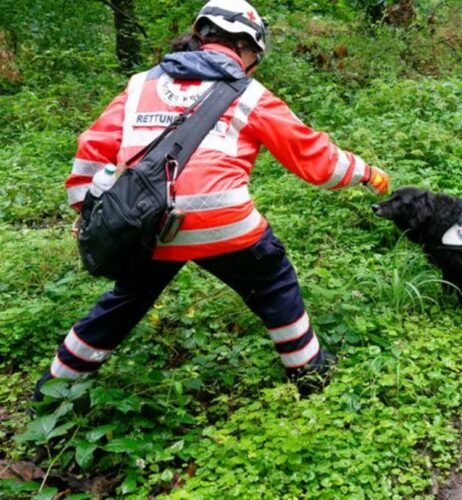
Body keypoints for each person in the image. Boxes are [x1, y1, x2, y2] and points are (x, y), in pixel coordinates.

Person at [34, 0, 389, 401]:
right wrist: (366, 172)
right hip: (225, 225)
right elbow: (316, 161)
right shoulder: (250, 94)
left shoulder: (141, 84)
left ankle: (53, 392)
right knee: (274, 283)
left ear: (202, 35)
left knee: (125, 301)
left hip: (146, 224)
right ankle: (309, 375)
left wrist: (89, 215)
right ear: (248, 49)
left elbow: (91, 150)